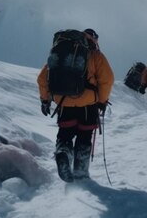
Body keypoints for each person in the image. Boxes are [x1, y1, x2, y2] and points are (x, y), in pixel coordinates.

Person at [37, 28, 114, 182]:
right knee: (84, 137)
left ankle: (63, 153)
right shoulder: (95, 55)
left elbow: (42, 78)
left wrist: (45, 100)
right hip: (88, 105)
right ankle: (80, 173)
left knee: (65, 134)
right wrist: (102, 101)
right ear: (94, 40)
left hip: (64, 103)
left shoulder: (60, 52)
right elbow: (107, 79)